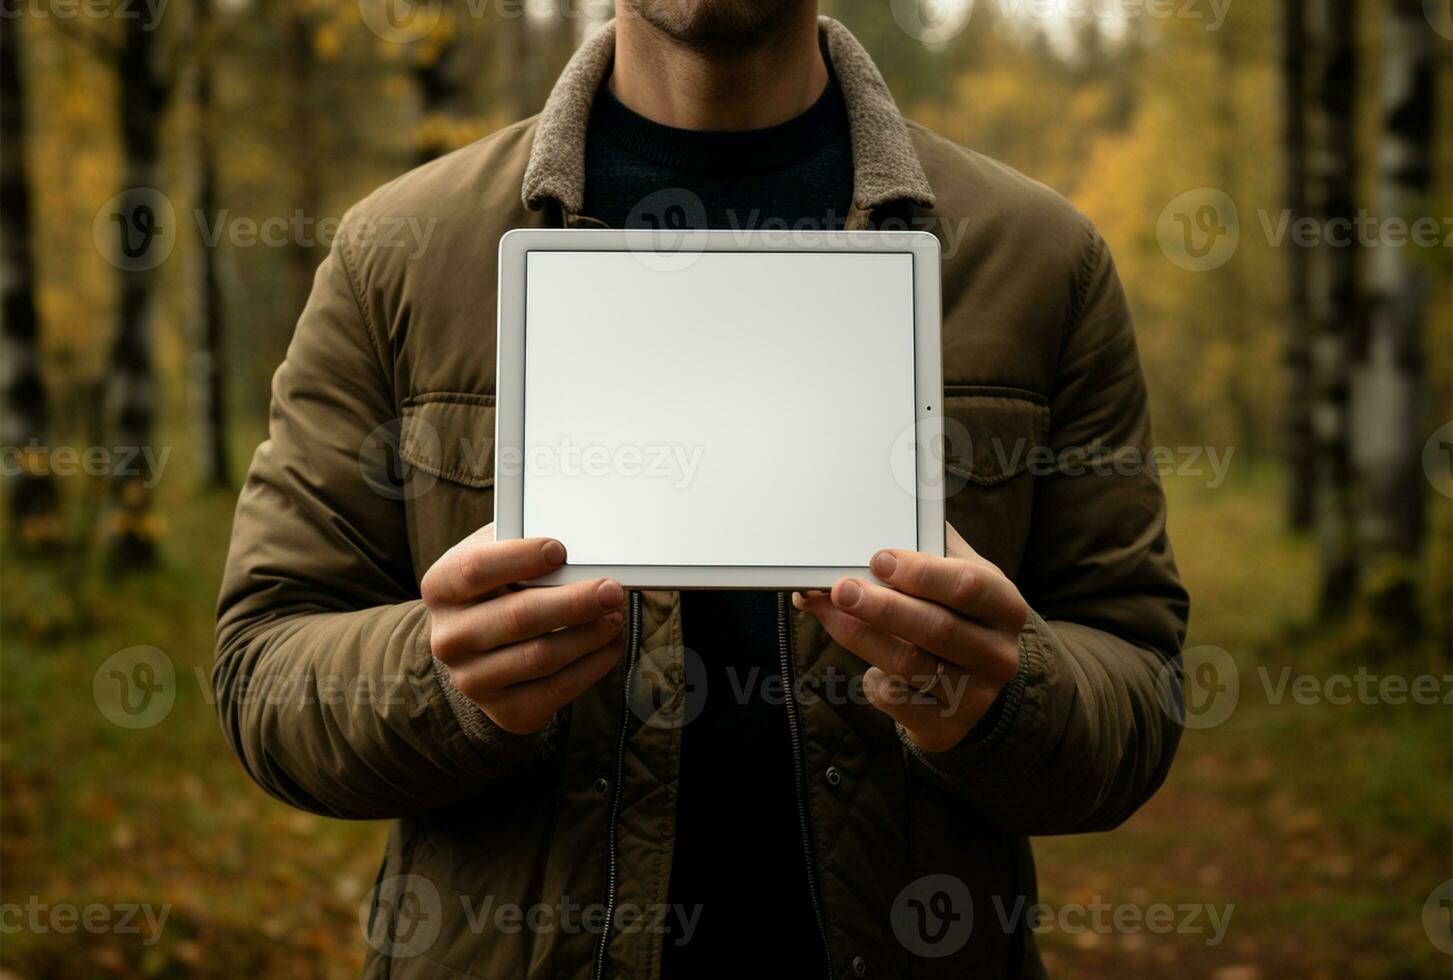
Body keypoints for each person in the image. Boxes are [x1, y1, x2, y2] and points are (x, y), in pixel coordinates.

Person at [214, 2, 1189, 977]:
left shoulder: (1039, 258)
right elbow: (263, 667)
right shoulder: (398, 254)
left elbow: (1137, 686)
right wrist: (437, 676)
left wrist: (1004, 694)